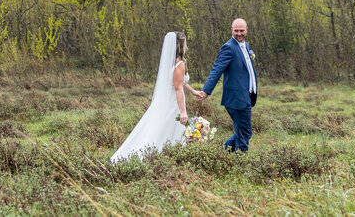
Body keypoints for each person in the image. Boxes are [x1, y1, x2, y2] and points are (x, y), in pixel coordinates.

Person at [110, 32, 202, 162]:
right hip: (172, 103)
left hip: (164, 101)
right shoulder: (179, 63)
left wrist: (192, 91)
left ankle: (165, 156)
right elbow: (178, 88)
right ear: (182, 45)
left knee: (161, 128)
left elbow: (178, 82)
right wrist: (183, 111)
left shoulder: (170, 63)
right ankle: (158, 157)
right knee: (165, 129)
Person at [197, 18, 257, 152]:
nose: (239, 33)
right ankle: (240, 160)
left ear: (247, 30)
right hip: (235, 98)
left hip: (247, 96)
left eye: (242, 31)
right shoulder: (228, 47)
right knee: (244, 133)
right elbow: (217, 69)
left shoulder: (246, 46)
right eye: (236, 31)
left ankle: (223, 152)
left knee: (244, 131)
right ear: (231, 31)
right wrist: (206, 90)